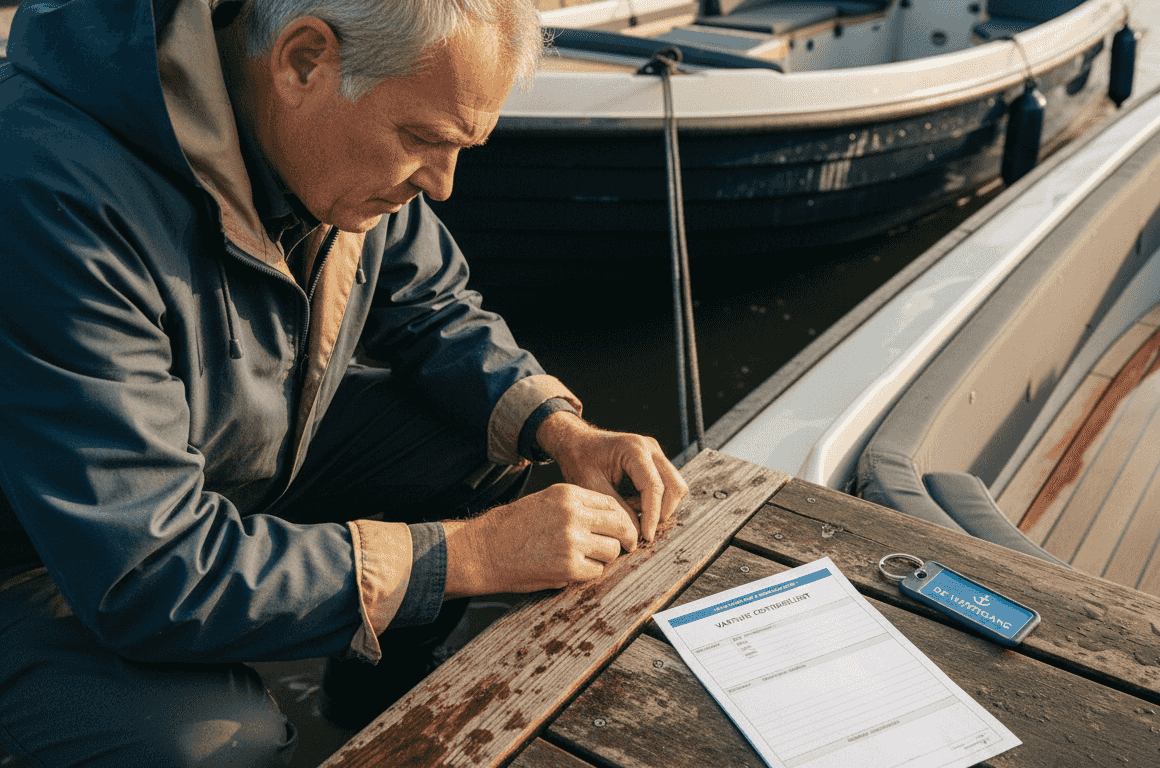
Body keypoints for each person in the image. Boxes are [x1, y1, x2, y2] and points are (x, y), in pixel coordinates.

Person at [0, 0, 688, 765]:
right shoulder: (50, 187)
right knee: (213, 746)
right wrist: (466, 555)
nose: (444, 184)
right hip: (42, 551)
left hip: (213, 468)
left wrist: (564, 429)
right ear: (303, 61)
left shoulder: (327, 138)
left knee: (485, 438)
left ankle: (374, 714)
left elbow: (431, 305)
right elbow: (144, 568)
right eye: (424, 139)